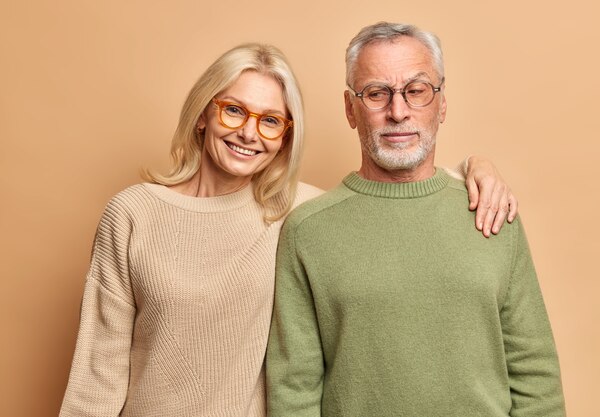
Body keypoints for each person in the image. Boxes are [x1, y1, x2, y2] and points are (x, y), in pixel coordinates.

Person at [60, 42, 518, 416]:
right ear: (203, 114)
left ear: (285, 137)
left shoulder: (299, 213)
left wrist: (475, 168)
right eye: (234, 111)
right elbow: (96, 376)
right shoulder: (132, 214)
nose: (249, 133)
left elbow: (394, 197)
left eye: (271, 121)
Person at [266, 22, 566, 417]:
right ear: (350, 108)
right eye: (376, 93)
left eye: (416, 90)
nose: (398, 111)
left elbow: (535, 375)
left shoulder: (492, 211)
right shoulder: (308, 231)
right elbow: (294, 390)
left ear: (441, 103)